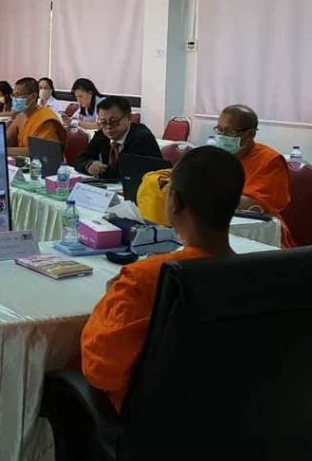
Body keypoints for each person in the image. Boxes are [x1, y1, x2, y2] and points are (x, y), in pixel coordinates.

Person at [81, 146, 244, 413]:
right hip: (233, 413)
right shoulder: (256, 273)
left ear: (175, 202)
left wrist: (109, 301)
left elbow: (102, 371)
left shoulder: (145, 278)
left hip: (151, 420)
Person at [215, 104, 294, 247]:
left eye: (230, 132)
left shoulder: (270, 160)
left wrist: (206, 198)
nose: (222, 136)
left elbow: (254, 203)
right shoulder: (216, 156)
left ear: (250, 134)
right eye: (219, 130)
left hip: (259, 232)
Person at [74, 96, 162, 180]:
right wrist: (89, 165)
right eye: (103, 122)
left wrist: (100, 169)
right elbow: (80, 159)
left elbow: (124, 171)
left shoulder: (141, 138)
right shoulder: (102, 134)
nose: (108, 126)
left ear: (129, 118)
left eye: (113, 121)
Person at [5, 77, 66, 156]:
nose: (15, 99)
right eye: (14, 95)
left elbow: (38, 151)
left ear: (33, 96)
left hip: (46, 162)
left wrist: (4, 151)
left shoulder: (46, 119)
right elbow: (6, 141)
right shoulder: (20, 116)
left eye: (19, 95)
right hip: (24, 161)